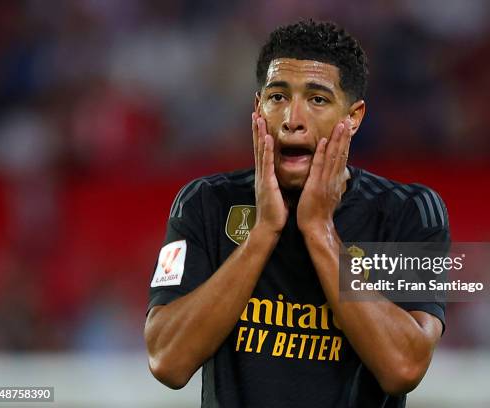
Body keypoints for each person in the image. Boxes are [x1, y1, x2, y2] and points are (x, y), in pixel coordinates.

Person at [144, 19, 449, 408]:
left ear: (352, 117)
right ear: (258, 108)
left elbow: (403, 367)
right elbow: (167, 361)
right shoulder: (206, 204)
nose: (292, 120)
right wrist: (263, 232)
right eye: (277, 97)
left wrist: (319, 230)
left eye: (317, 99)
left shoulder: (405, 213)